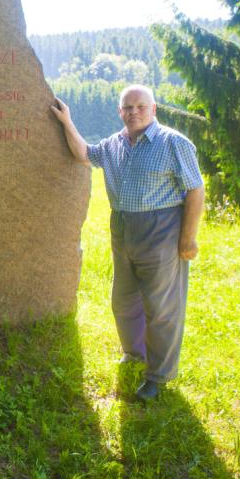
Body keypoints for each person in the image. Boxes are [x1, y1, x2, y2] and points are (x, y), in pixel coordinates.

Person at [51, 85, 205, 401]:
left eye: (139, 106)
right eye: (126, 107)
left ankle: (158, 376)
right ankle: (135, 353)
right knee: (123, 301)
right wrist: (67, 122)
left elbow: (195, 190)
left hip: (161, 230)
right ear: (120, 111)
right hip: (122, 230)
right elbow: (83, 154)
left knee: (162, 308)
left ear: (154, 109)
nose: (133, 112)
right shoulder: (113, 145)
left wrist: (187, 238)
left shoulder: (174, 143)